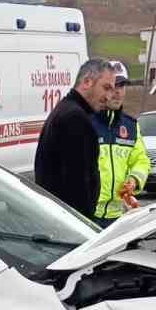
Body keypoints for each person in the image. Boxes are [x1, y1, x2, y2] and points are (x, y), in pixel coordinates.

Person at [33, 57, 117, 217]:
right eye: (106, 88)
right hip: (68, 223)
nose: (108, 97)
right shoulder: (74, 119)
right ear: (87, 82)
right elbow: (77, 183)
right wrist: (85, 225)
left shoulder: (66, 110)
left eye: (111, 90)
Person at [92, 61, 151, 226]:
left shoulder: (131, 126)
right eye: (112, 86)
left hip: (118, 217)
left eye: (122, 86)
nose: (118, 92)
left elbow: (141, 160)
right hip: (87, 215)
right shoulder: (85, 122)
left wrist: (133, 180)